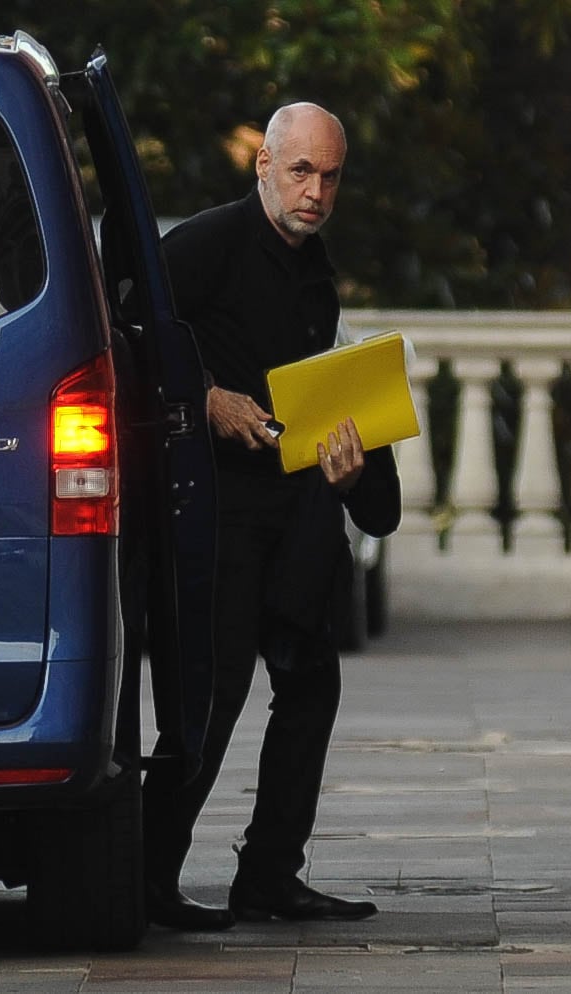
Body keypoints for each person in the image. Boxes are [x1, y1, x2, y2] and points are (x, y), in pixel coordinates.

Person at [141, 102, 401, 931]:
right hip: (219, 515)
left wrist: (350, 464)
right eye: (300, 171)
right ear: (262, 165)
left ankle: (269, 875)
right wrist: (207, 398)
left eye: (330, 176)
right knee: (210, 701)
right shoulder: (204, 244)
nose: (316, 190)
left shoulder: (315, 266)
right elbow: (126, 336)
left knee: (310, 689)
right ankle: (144, 878)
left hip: (297, 517)